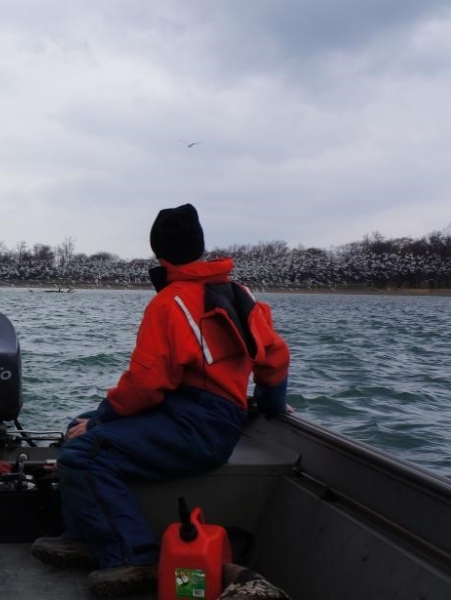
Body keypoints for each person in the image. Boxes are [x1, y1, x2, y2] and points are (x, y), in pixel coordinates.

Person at [31, 204, 291, 597]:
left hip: (195, 425)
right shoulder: (241, 294)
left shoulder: (170, 303)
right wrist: (270, 406)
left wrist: (101, 422)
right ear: (199, 247)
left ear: (160, 255)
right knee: (77, 427)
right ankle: (83, 535)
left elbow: (146, 384)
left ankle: (135, 558)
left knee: (84, 451)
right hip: (208, 417)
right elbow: (274, 359)